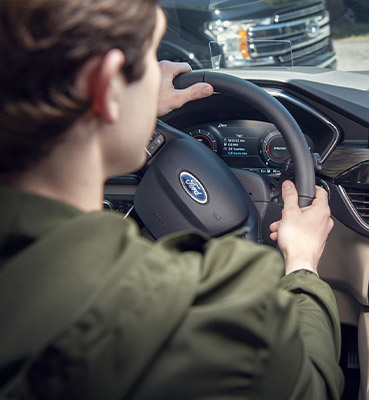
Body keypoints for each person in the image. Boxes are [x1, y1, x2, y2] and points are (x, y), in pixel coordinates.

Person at [0, 0, 344, 399]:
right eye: (150, 59)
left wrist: (132, 105)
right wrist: (302, 263)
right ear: (105, 85)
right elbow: (312, 387)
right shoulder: (208, 308)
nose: (160, 73)